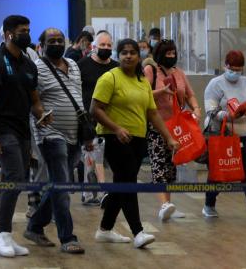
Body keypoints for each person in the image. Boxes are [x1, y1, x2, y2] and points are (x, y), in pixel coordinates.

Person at [90, 38, 180, 249]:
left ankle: (104, 229)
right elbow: (95, 109)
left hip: (139, 139)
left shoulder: (142, 82)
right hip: (115, 138)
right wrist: (116, 128)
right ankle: (138, 231)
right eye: (124, 52)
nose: (128, 56)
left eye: (132, 52)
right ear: (117, 56)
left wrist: (168, 137)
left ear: (138, 56)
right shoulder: (109, 78)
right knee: (128, 182)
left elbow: (152, 112)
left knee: (122, 184)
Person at [0, 15, 50, 258]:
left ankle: (7, 233)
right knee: (14, 175)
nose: (27, 34)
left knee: (18, 180)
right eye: (22, 30)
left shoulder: (30, 65)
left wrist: (41, 114)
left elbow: (34, 100)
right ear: (9, 33)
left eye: (29, 29)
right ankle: (1, 234)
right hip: (2, 130)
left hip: (23, 130)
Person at [24, 28, 86, 254]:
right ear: (41, 45)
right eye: (52, 41)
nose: (57, 43)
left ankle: (34, 226)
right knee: (62, 186)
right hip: (50, 134)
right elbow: (30, 99)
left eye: (60, 40)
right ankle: (67, 237)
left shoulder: (74, 65)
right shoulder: (36, 68)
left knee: (62, 184)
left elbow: (77, 96)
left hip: (74, 134)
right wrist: (38, 117)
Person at [203, 50, 246, 220]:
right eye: (232, 69)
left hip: (242, 132)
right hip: (221, 133)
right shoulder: (215, 83)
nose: (235, 73)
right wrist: (227, 115)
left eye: (239, 69)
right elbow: (210, 109)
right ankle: (209, 205)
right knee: (218, 171)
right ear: (225, 66)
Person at [143, 39, 200, 221]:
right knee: (159, 164)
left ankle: (168, 204)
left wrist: (196, 108)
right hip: (157, 125)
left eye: (173, 53)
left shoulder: (180, 73)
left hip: (177, 126)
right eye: (167, 53)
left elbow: (190, 94)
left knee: (171, 167)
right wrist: (161, 92)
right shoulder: (151, 71)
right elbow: (143, 93)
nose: (171, 57)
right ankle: (163, 204)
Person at [76, 30, 118, 205]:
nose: (106, 48)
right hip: (89, 119)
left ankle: (102, 191)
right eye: (102, 45)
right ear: (94, 47)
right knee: (92, 155)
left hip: (112, 119)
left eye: (109, 45)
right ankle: (95, 192)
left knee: (103, 158)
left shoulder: (116, 67)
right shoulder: (81, 65)